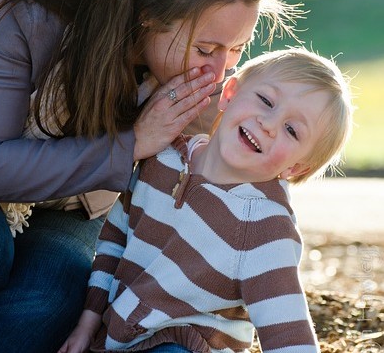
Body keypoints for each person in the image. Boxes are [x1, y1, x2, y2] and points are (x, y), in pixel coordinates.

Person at [0, 0, 297, 351]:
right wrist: (131, 144)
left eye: (236, 49)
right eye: (205, 50)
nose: (219, 72)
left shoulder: (198, 81)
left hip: (73, 202)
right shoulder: (31, 3)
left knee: (52, 297)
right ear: (148, 14)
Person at [60, 47, 354, 353]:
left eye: (291, 130)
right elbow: (113, 242)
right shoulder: (164, 158)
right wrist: (87, 323)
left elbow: (289, 337)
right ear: (230, 93)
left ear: (296, 167)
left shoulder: (264, 227)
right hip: (117, 335)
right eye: (266, 100)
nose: (268, 123)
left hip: (187, 344)